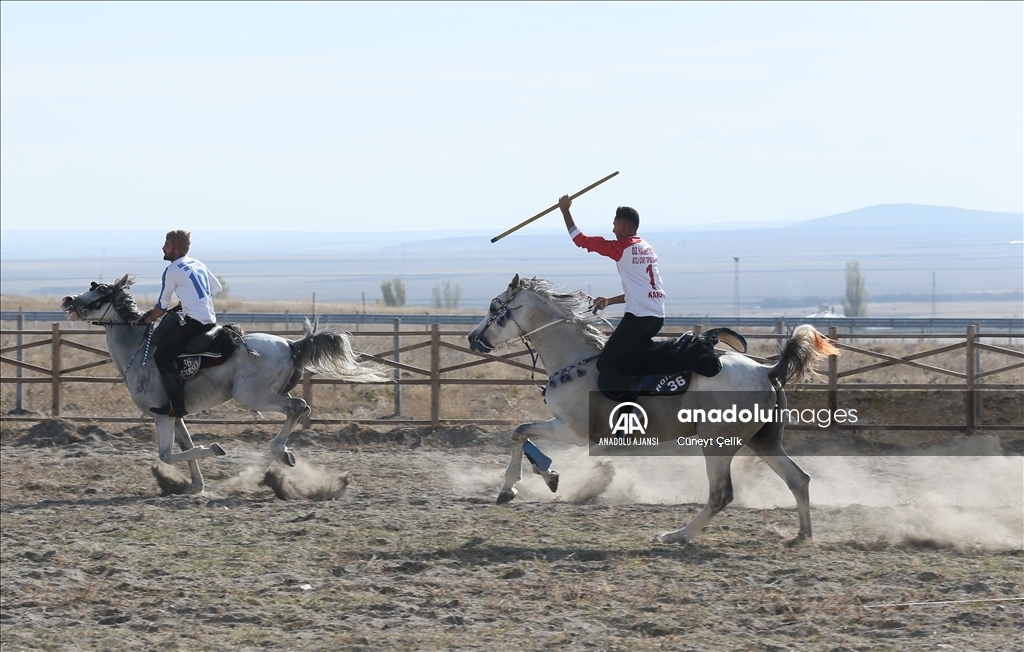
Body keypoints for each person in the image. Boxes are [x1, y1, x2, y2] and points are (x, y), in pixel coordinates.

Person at [558, 195, 666, 400]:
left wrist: (565, 210)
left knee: (605, 364)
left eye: (615, 225)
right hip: (656, 317)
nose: (613, 230)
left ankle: (627, 408)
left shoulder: (621, 247)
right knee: (627, 361)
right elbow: (641, 292)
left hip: (638, 319)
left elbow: (579, 239)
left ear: (623, 226)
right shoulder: (647, 248)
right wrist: (610, 301)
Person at [144, 230, 222, 417]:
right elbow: (216, 288)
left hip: (195, 322)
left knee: (162, 355)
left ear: (176, 249)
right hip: (210, 320)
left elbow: (162, 306)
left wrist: (148, 319)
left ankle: (176, 405)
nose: (163, 247)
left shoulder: (172, 270)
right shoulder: (198, 263)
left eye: (167, 245)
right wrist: (193, 300)